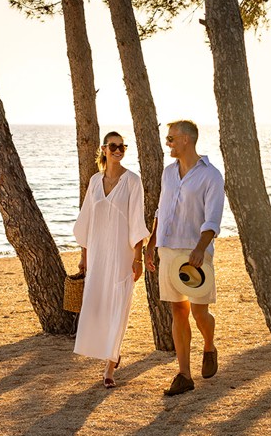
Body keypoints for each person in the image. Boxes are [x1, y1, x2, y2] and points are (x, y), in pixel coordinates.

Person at [145, 120, 225, 396]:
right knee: (178, 311)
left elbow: (213, 218)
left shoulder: (211, 176)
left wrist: (201, 248)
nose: (167, 143)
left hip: (195, 252)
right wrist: (151, 243)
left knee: (199, 312)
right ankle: (184, 374)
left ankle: (209, 346)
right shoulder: (168, 173)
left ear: (186, 140)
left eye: (171, 138)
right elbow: (160, 209)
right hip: (168, 250)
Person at [73, 131, 149, 389]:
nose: (118, 150)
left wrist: (137, 257)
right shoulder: (95, 181)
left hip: (121, 254)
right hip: (97, 254)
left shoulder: (132, 181)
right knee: (98, 304)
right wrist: (84, 257)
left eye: (122, 146)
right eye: (113, 146)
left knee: (119, 305)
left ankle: (110, 365)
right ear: (104, 149)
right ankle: (110, 353)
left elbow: (137, 221)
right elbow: (86, 220)